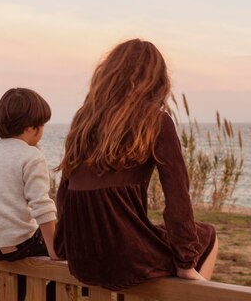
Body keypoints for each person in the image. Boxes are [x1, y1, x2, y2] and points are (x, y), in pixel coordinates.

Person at [54, 39, 219, 291]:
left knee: (158, 236)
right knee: (208, 235)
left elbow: (64, 191)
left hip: (82, 258)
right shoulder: (156, 122)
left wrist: (64, 246)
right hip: (126, 258)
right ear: (157, 80)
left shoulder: (83, 120)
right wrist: (185, 262)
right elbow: (177, 199)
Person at [0, 87, 58, 301]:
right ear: (31, 128)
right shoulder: (32, 156)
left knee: (21, 277)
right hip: (20, 245)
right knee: (73, 253)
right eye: (42, 125)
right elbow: (41, 205)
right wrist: (54, 250)